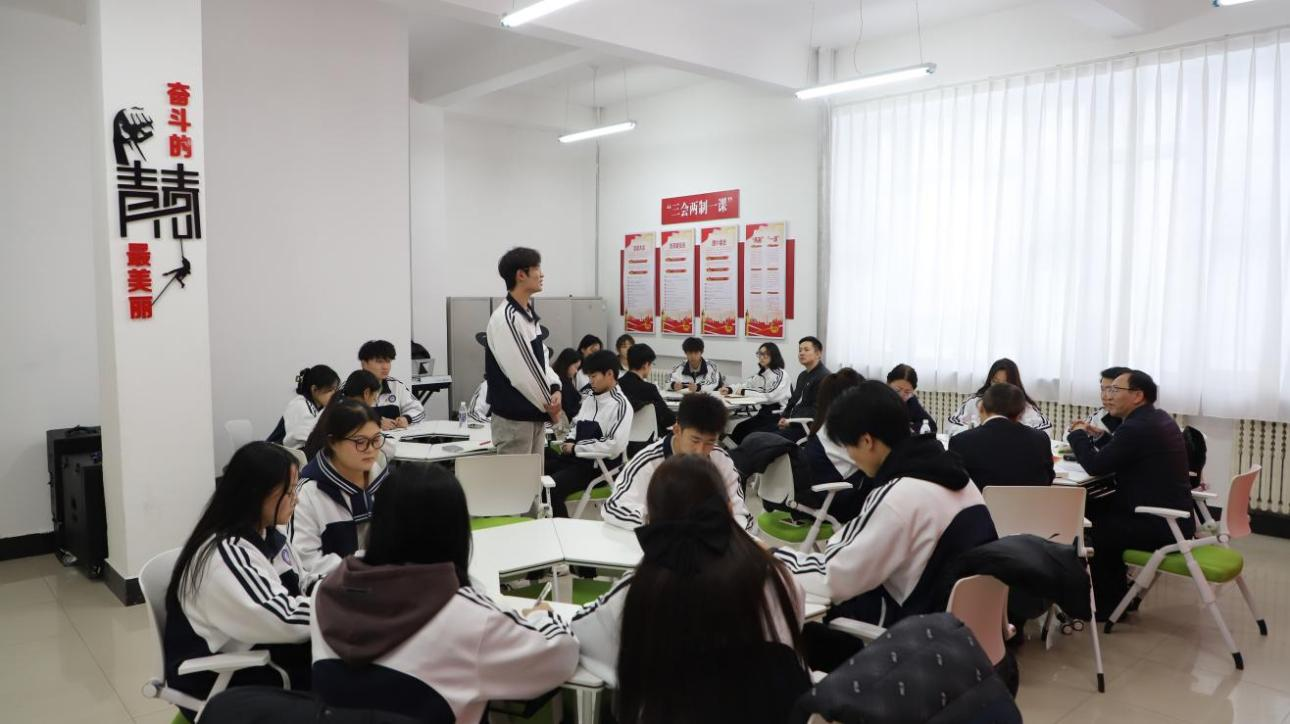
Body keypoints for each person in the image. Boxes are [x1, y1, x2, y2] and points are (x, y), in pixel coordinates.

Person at [311, 462, 578, 722]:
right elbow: (560, 656)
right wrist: (542, 615)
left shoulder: (326, 594)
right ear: (457, 530)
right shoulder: (469, 618)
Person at [574, 455, 809, 724]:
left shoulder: (639, 591)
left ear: (650, 519)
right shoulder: (778, 578)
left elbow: (582, 634)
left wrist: (545, 616)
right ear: (729, 510)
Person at [774, 382, 997, 628]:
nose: (851, 457)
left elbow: (834, 577)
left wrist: (773, 558)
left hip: (917, 635)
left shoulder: (898, 497)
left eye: (848, 447)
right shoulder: (957, 476)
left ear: (867, 441)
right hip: (969, 629)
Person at [163, 442, 312, 718]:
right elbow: (284, 618)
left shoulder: (269, 536)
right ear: (258, 494)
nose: (297, 500)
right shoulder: (225, 555)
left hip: (262, 649)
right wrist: (339, 610)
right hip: (226, 679)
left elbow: (301, 584)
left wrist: (344, 590)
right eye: (290, 492)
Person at [1067, 370, 1194, 615]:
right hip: (1172, 517)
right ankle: (1112, 595)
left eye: (1115, 390)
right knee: (1090, 507)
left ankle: (1106, 605)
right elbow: (1126, 453)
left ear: (1137, 396)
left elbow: (1096, 465)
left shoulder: (1136, 427)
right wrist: (1101, 437)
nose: (1108, 395)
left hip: (1159, 523)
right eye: (1106, 389)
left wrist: (1078, 436)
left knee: (1090, 527)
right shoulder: (1156, 418)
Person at [603, 394, 753, 532]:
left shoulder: (721, 460)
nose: (700, 451)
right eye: (695, 440)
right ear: (677, 430)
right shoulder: (649, 461)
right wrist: (659, 520)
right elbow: (613, 508)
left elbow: (741, 514)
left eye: (710, 442)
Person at [291, 398, 390, 579]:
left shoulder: (384, 481)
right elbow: (305, 562)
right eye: (360, 441)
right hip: (334, 587)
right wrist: (361, 566)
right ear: (333, 442)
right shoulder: (308, 493)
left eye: (376, 439)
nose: (371, 449)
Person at [484, 247, 564, 455]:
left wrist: (555, 387)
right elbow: (524, 375)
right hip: (515, 420)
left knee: (534, 475)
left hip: (533, 414)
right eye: (537, 268)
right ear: (521, 275)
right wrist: (551, 408)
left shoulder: (526, 314)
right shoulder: (507, 318)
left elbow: (542, 359)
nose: (542, 274)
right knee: (517, 477)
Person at [545, 350, 634, 517]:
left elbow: (613, 446)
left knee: (551, 488)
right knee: (539, 466)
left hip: (598, 467)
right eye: (589, 377)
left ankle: (561, 529)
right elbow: (575, 424)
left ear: (610, 374)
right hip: (575, 459)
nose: (590, 381)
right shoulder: (590, 398)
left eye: (594, 376)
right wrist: (570, 440)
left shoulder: (621, 405)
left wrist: (576, 447)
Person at [797, 368, 873, 524]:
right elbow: (870, 464)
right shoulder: (838, 433)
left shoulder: (824, 425)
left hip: (820, 498)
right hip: (832, 504)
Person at [948, 383, 1055, 488]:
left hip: (981, 499)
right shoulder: (1040, 439)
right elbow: (1048, 479)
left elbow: (955, 483)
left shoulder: (961, 441)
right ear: (1021, 413)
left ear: (981, 408)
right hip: (1029, 500)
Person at [946, 358, 1051, 435]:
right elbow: (952, 424)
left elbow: (1045, 430)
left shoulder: (1024, 405)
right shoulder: (976, 401)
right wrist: (974, 429)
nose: (999, 388)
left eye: (1005, 384)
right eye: (995, 382)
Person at [725, 342, 792, 445]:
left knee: (752, 435)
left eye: (765, 354)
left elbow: (770, 396)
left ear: (774, 355)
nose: (761, 357)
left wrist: (745, 392)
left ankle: (742, 452)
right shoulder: (761, 375)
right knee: (740, 428)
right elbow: (746, 385)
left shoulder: (781, 374)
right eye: (760, 354)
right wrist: (729, 389)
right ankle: (733, 452)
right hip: (764, 413)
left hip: (778, 415)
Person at [358, 340, 425, 430]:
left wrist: (407, 419)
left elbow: (419, 411)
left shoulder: (396, 385)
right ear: (364, 364)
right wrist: (376, 423)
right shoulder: (350, 386)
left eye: (388, 361)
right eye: (379, 361)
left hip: (397, 438)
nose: (385, 367)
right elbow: (343, 419)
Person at [268, 365, 340, 448]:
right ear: (314, 389)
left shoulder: (319, 408)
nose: (334, 394)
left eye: (335, 389)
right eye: (330, 390)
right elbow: (307, 438)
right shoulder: (300, 405)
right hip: (272, 453)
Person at [776, 336, 830, 441]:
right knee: (755, 432)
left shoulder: (825, 377)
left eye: (806, 350)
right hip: (791, 423)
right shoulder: (802, 375)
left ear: (818, 353)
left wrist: (791, 421)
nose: (801, 353)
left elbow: (817, 411)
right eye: (800, 350)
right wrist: (784, 417)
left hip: (805, 428)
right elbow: (793, 401)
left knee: (762, 439)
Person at [617, 343, 676, 436]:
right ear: (645, 365)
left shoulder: (617, 385)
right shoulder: (649, 389)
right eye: (651, 364)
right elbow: (669, 419)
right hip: (648, 439)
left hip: (622, 437)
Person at [1073, 366, 1133, 449]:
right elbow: (1069, 433)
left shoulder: (1136, 423)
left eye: (1112, 390)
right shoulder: (1103, 412)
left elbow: (1118, 453)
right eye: (1102, 389)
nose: (1104, 396)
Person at [887, 363, 937, 434]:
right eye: (897, 390)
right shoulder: (878, 398)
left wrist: (907, 428)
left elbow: (931, 425)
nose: (901, 395)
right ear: (888, 384)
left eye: (907, 392)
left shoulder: (911, 401)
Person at [550, 347, 585, 423]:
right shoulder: (560, 382)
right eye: (575, 367)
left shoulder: (563, 379)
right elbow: (569, 409)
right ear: (567, 364)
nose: (576, 371)